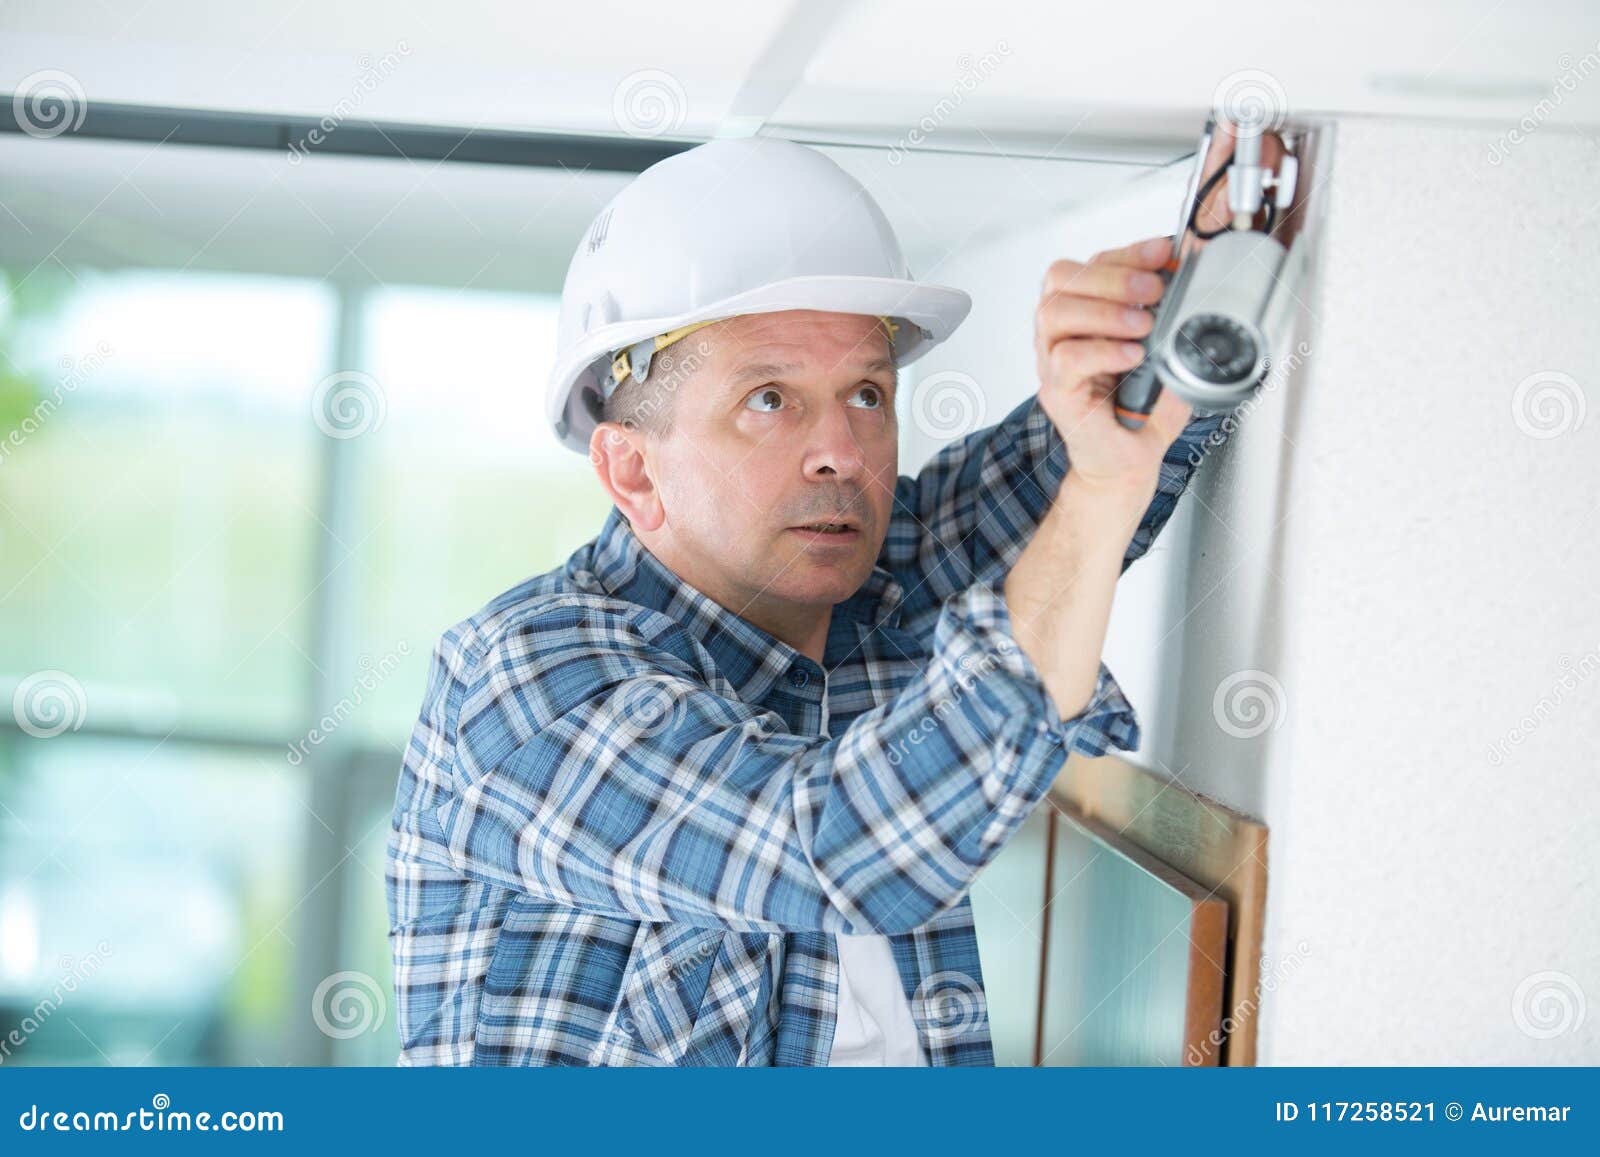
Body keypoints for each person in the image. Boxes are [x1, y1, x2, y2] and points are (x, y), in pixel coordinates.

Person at [386, 134, 1234, 1066]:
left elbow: (1092, 450)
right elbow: (840, 849)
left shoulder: (871, 581)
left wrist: (1203, 281)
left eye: (866, 393)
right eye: (769, 399)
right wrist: (1100, 492)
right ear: (632, 467)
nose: (842, 450)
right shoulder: (522, 686)